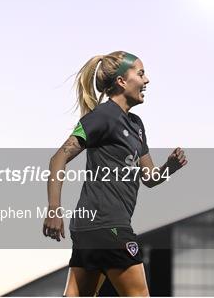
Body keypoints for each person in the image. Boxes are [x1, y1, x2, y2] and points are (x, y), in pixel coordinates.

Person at [42, 51, 188, 297]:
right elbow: (58, 159)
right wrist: (54, 209)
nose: (147, 80)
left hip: (91, 228)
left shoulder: (136, 126)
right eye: (141, 74)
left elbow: (150, 178)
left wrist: (169, 168)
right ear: (122, 81)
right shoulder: (102, 116)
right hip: (109, 226)